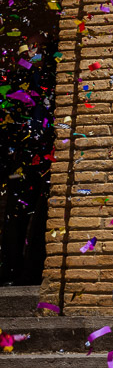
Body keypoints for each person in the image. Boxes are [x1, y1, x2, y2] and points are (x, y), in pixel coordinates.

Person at [0, 31, 55, 285]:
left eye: (38, 47)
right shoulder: (17, 79)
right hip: (21, 158)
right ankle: (10, 272)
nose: (33, 51)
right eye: (29, 47)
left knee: (44, 216)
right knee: (15, 214)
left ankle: (33, 272)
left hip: (48, 158)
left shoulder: (53, 78)